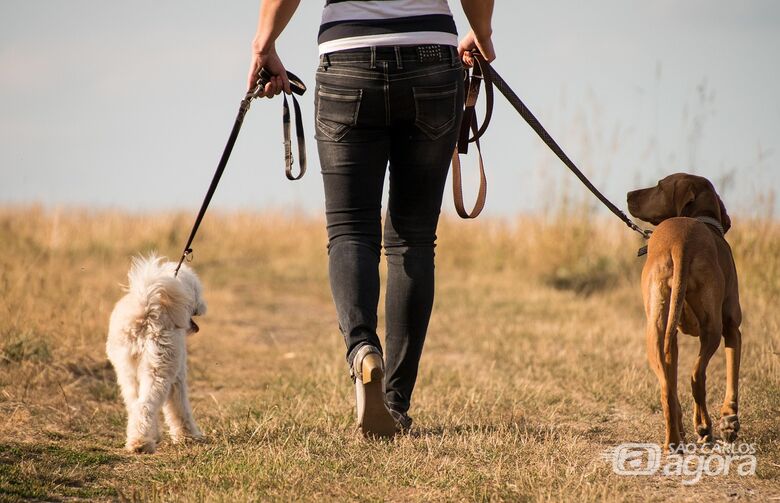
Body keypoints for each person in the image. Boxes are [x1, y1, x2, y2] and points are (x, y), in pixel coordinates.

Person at [248, 0, 496, 438]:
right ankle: (396, 404)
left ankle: (363, 349)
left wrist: (264, 42)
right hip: (432, 59)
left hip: (348, 59)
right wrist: (483, 31)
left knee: (350, 230)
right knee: (413, 239)